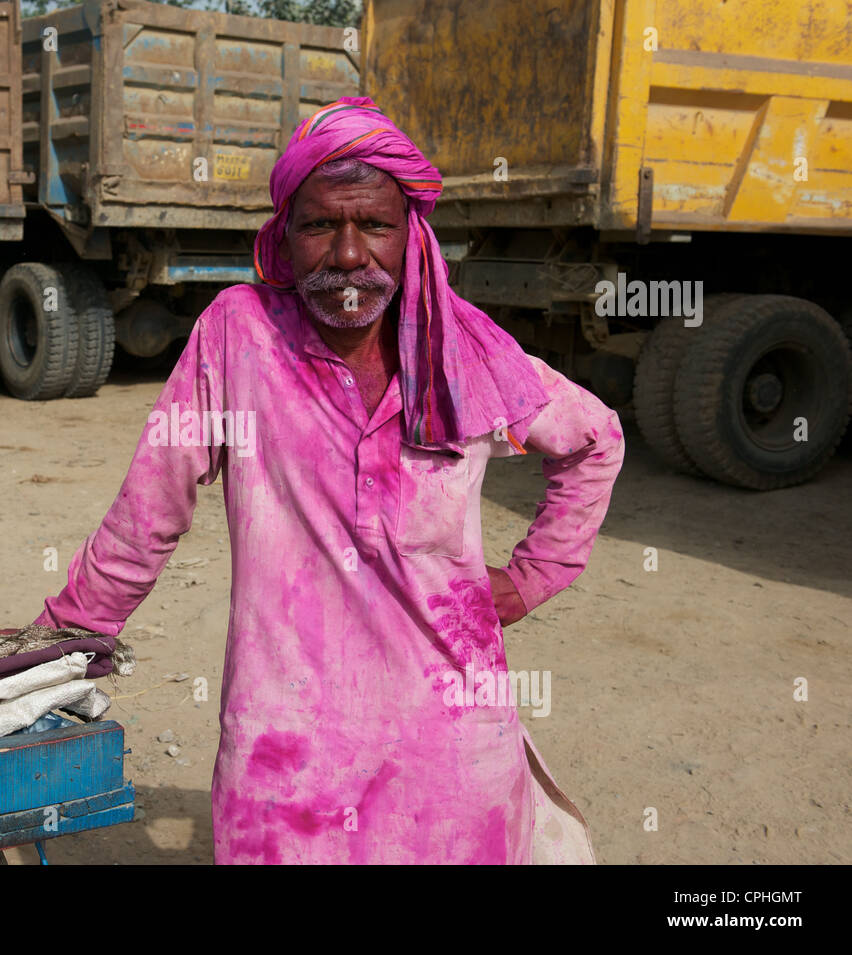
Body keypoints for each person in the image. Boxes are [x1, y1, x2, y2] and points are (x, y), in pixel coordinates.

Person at [35, 96, 623, 864]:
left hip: (452, 745)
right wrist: (56, 648)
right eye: (319, 226)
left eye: (374, 225)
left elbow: (594, 440)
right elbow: (149, 512)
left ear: (411, 236)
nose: (348, 255)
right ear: (285, 237)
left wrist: (532, 576)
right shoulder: (238, 337)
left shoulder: (465, 352)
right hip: (288, 748)